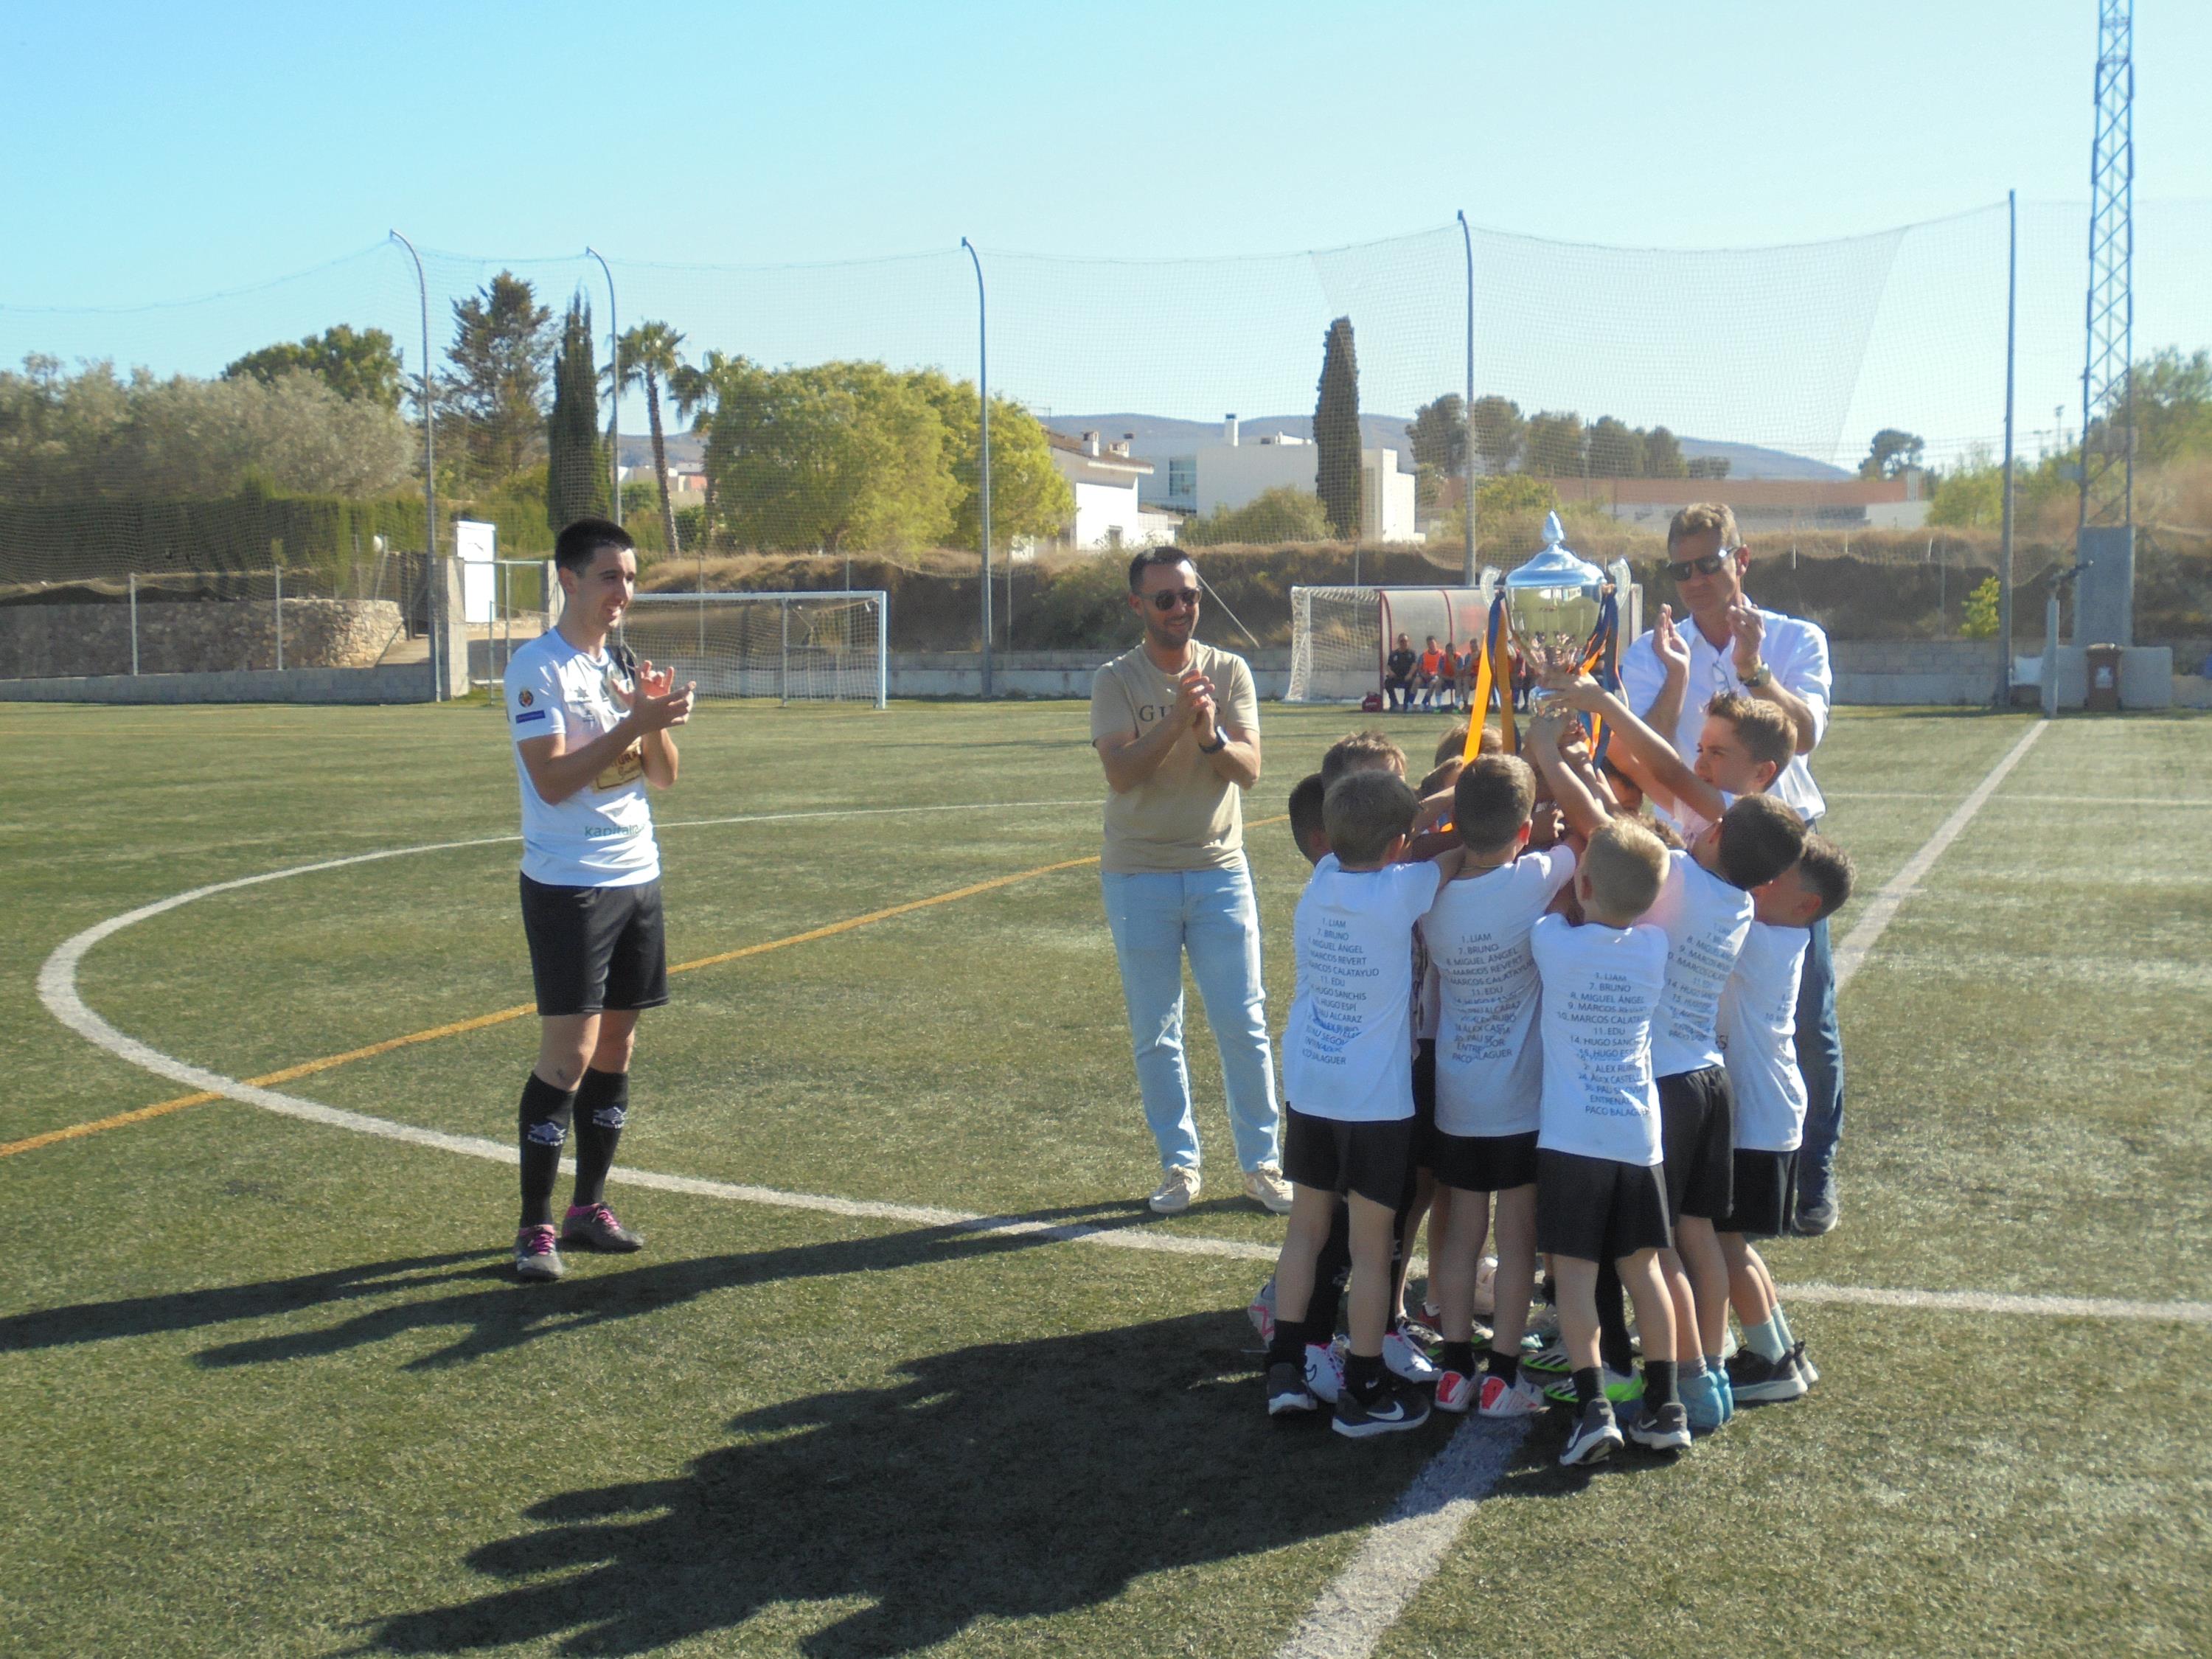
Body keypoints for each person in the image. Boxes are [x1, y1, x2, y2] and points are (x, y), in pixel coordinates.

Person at [1618, 504, 1843, 1237]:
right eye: (1680, 568)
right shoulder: (1655, 647)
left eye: (1708, 563)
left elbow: (1803, 734)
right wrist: (1674, 680)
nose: (1694, 581)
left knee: (1802, 1019)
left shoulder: (1793, 637)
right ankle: (1698, 1169)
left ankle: (1810, 1176)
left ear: (1740, 561)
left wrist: (1754, 671)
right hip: (1700, 851)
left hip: (1782, 849)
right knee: (1691, 1020)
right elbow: (1642, 745)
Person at [501, 516, 695, 1282]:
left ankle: (589, 1207)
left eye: (632, 576)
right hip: (568, 885)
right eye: (611, 575)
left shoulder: (618, 663)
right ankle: (534, 1228)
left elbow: (665, 777)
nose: (625, 592)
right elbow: (552, 780)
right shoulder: (535, 668)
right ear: (569, 579)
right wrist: (633, 724)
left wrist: (653, 719)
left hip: (635, 874)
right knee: (568, 1056)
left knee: (618, 1047)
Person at [1262, 770, 1464, 1438]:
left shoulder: (1321, 879)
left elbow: (1388, 836)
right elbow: (1458, 855)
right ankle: (1365, 1385)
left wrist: (1412, 814)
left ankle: (1287, 1368)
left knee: (1307, 1232)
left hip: (1312, 1087)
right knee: (1374, 1250)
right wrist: (1452, 813)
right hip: (1376, 1103)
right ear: (1399, 843)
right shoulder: (1404, 887)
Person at [1093, 547, 1289, 1216]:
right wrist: (1177, 719)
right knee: (1157, 1030)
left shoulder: (1229, 670)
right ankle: (1180, 1166)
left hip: (1218, 872)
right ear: (1138, 606)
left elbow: (1250, 769)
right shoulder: (1115, 679)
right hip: (1137, 876)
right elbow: (1121, 773)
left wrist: (1208, 737)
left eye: (1190, 595)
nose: (1182, 608)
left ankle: (1263, 1164)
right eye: (1166, 598)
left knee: (1244, 1021)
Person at [1527, 817, 1690, 1463]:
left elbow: (1550, 910)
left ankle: (1594, 1405)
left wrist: (1565, 861)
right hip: (1637, 1139)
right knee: (1643, 1270)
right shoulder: (1654, 946)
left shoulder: (1553, 944)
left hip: (1572, 1139)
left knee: (1573, 1278)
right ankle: (1667, 1403)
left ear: (1584, 883)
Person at [1422, 754, 1576, 1419]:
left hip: (1459, 1096)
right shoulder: (1533, 879)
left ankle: (1455, 1366)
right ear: (1522, 828)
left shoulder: (1430, 894)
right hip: (1521, 1102)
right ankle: (1501, 1373)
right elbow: (1589, 836)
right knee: (1516, 1243)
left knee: (1461, 1237)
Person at [1718, 837, 1855, 1403]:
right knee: (1731, 1244)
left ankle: (1772, 1360)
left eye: (1778, 878)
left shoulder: (1765, 940)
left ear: (1806, 907)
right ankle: (1779, 1349)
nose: (1762, 880)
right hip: (1765, 1113)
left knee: (1725, 1244)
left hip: (1759, 1117)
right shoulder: (1778, 931)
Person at [1384, 633, 1417, 711]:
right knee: (1387, 683)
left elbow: (1414, 665)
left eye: (1405, 641)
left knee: (1410, 682)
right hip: (1396, 676)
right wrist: (1390, 672)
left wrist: (1410, 674)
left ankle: (1406, 704)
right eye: (1402, 641)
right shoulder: (1394, 654)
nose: (1404, 643)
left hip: (1407, 676)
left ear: (1408, 642)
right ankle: (1395, 703)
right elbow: (1388, 666)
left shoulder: (1412, 653)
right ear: (1399, 642)